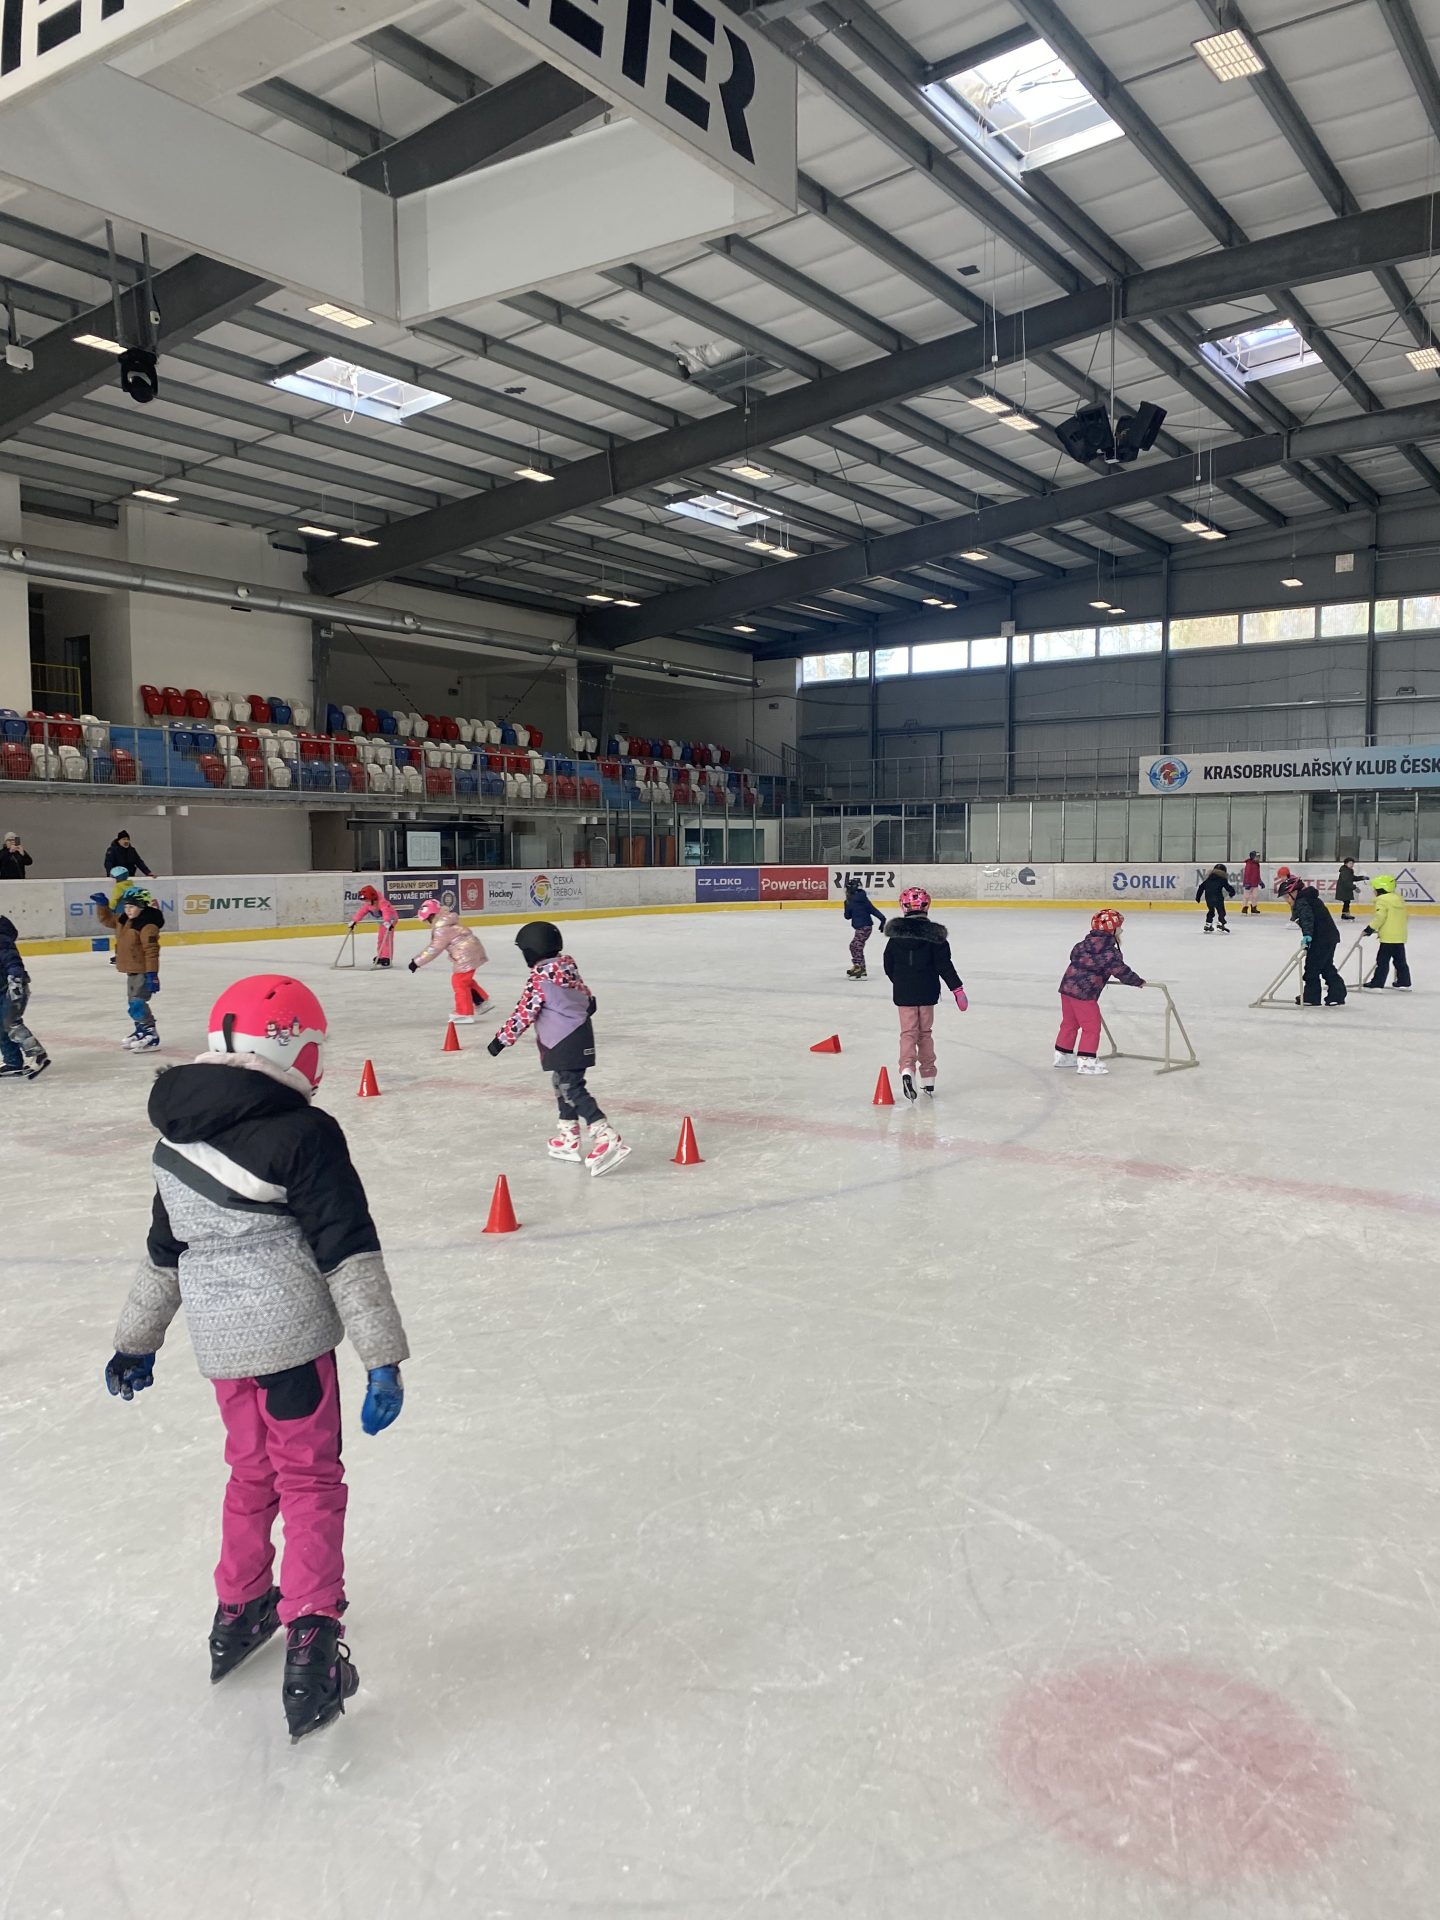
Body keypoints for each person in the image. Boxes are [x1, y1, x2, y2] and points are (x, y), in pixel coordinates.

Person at [104, 975, 409, 1742]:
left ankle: (239, 1610)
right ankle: (312, 1643)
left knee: (250, 1472)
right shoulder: (306, 1134)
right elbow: (348, 1252)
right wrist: (381, 1357)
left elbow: (164, 1253)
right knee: (310, 1480)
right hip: (294, 1348)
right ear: (292, 1049)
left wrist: (135, 1342)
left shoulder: (174, 1137)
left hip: (223, 1350)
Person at [485, 920, 629, 1175]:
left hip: (562, 1040)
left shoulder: (540, 979)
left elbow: (524, 1013)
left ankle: (604, 1134)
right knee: (562, 1083)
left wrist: (501, 1040)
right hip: (580, 1034)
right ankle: (568, 1136)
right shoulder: (567, 968)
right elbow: (587, 998)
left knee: (571, 1088)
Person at [881, 886, 967, 1102]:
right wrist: (957, 989)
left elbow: (888, 964)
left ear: (903, 907)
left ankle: (906, 1069)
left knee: (908, 1033)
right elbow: (944, 966)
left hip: (904, 994)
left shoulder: (895, 938)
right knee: (925, 1033)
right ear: (927, 906)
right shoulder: (935, 937)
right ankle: (928, 1077)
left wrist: (900, 982)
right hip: (927, 992)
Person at [1054, 909, 1145, 1076]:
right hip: (1084, 994)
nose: (1122, 930)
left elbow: (1074, 957)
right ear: (1112, 930)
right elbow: (1120, 971)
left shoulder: (1081, 945)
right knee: (1091, 1026)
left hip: (1067, 989)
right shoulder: (1109, 952)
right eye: (1119, 927)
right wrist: (1138, 981)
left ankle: (1063, 1055)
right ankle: (1087, 1062)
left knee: (1069, 1023)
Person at [93, 885, 164, 1050]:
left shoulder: (147, 926)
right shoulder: (124, 920)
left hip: (143, 970)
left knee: (138, 1003)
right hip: (131, 969)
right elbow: (107, 920)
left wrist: (152, 974)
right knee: (133, 1003)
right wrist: (102, 906)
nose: (128, 910)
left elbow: (151, 951)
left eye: (132, 907)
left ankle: (151, 1033)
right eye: (126, 906)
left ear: (142, 906)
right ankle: (141, 1029)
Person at [407, 899, 491, 1021]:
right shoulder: (447, 920)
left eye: (426, 920)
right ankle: (481, 1001)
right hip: (473, 950)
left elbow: (434, 949)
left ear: (431, 917)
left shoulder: (441, 928)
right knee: (465, 980)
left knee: (459, 982)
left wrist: (416, 962)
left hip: (465, 955)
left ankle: (464, 1013)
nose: (426, 923)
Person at [1282, 876, 1346, 1006]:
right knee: (1326, 966)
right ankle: (1337, 994)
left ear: (1295, 892)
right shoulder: (1309, 899)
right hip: (1327, 937)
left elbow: (1307, 919)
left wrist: (1307, 935)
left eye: (1287, 897)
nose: (1287, 901)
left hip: (1322, 939)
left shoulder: (1302, 902)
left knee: (1312, 967)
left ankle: (1311, 997)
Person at [0, 914, 49, 1079]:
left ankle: (38, 1054)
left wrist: (16, 979)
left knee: (10, 1022)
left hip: (14, 988)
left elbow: (13, 961)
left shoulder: (2, 939)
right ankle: (13, 1062)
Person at [1362, 873, 1411, 989]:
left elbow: (1380, 917)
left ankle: (1377, 982)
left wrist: (1369, 929)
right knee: (1400, 961)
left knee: (1382, 961)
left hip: (1388, 937)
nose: (1373, 891)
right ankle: (1404, 981)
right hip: (1400, 936)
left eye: (1375, 889)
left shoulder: (1382, 900)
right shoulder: (1398, 899)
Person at [842, 880, 886, 979]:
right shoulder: (864, 899)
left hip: (863, 927)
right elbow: (873, 910)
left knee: (857, 945)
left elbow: (847, 916)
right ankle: (858, 965)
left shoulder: (850, 901)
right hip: (866, 927)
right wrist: (882, 919)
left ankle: (861, 969)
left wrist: (847, 906)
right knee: (854, 945)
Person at [349, 885, 399, 969]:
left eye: (367, 900)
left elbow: (386, 911)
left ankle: (386, 957)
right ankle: (381, 955)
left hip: (390, 920)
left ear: (373, 898)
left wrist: (387, 921)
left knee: (386, 938)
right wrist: (354, 921)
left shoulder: (382, 902)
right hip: (382, 922)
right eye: (365, 901)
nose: (366, 902)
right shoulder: (368, 905)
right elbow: (361, 912)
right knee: (380, 938)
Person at [1195, 863, 1235, 932]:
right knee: (1221, 912)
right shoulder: (1222, 879)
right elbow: (1228, 887)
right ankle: (1220, 924)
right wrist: (1232, 893)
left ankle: (1208, 924)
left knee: (1211, 911)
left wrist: (1198, 897)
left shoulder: (1209, 879)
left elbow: (1201, 887)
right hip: (1218, 898)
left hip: (1208, 898)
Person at [1335, 857, 1366, 922]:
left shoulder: (1348, 870)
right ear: (1346, 864)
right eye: (1350, 863)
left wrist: (1362, 877)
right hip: (1344, 890)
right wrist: (1355, 888)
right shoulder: (1345, 871)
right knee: (1346, 902)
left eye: (1352, 863)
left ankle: (1345, 914)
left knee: (1347, 902)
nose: (1352, 865)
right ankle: (1345, 915)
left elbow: (1352, 878)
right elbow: (1346, 882)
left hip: (1345, 889)